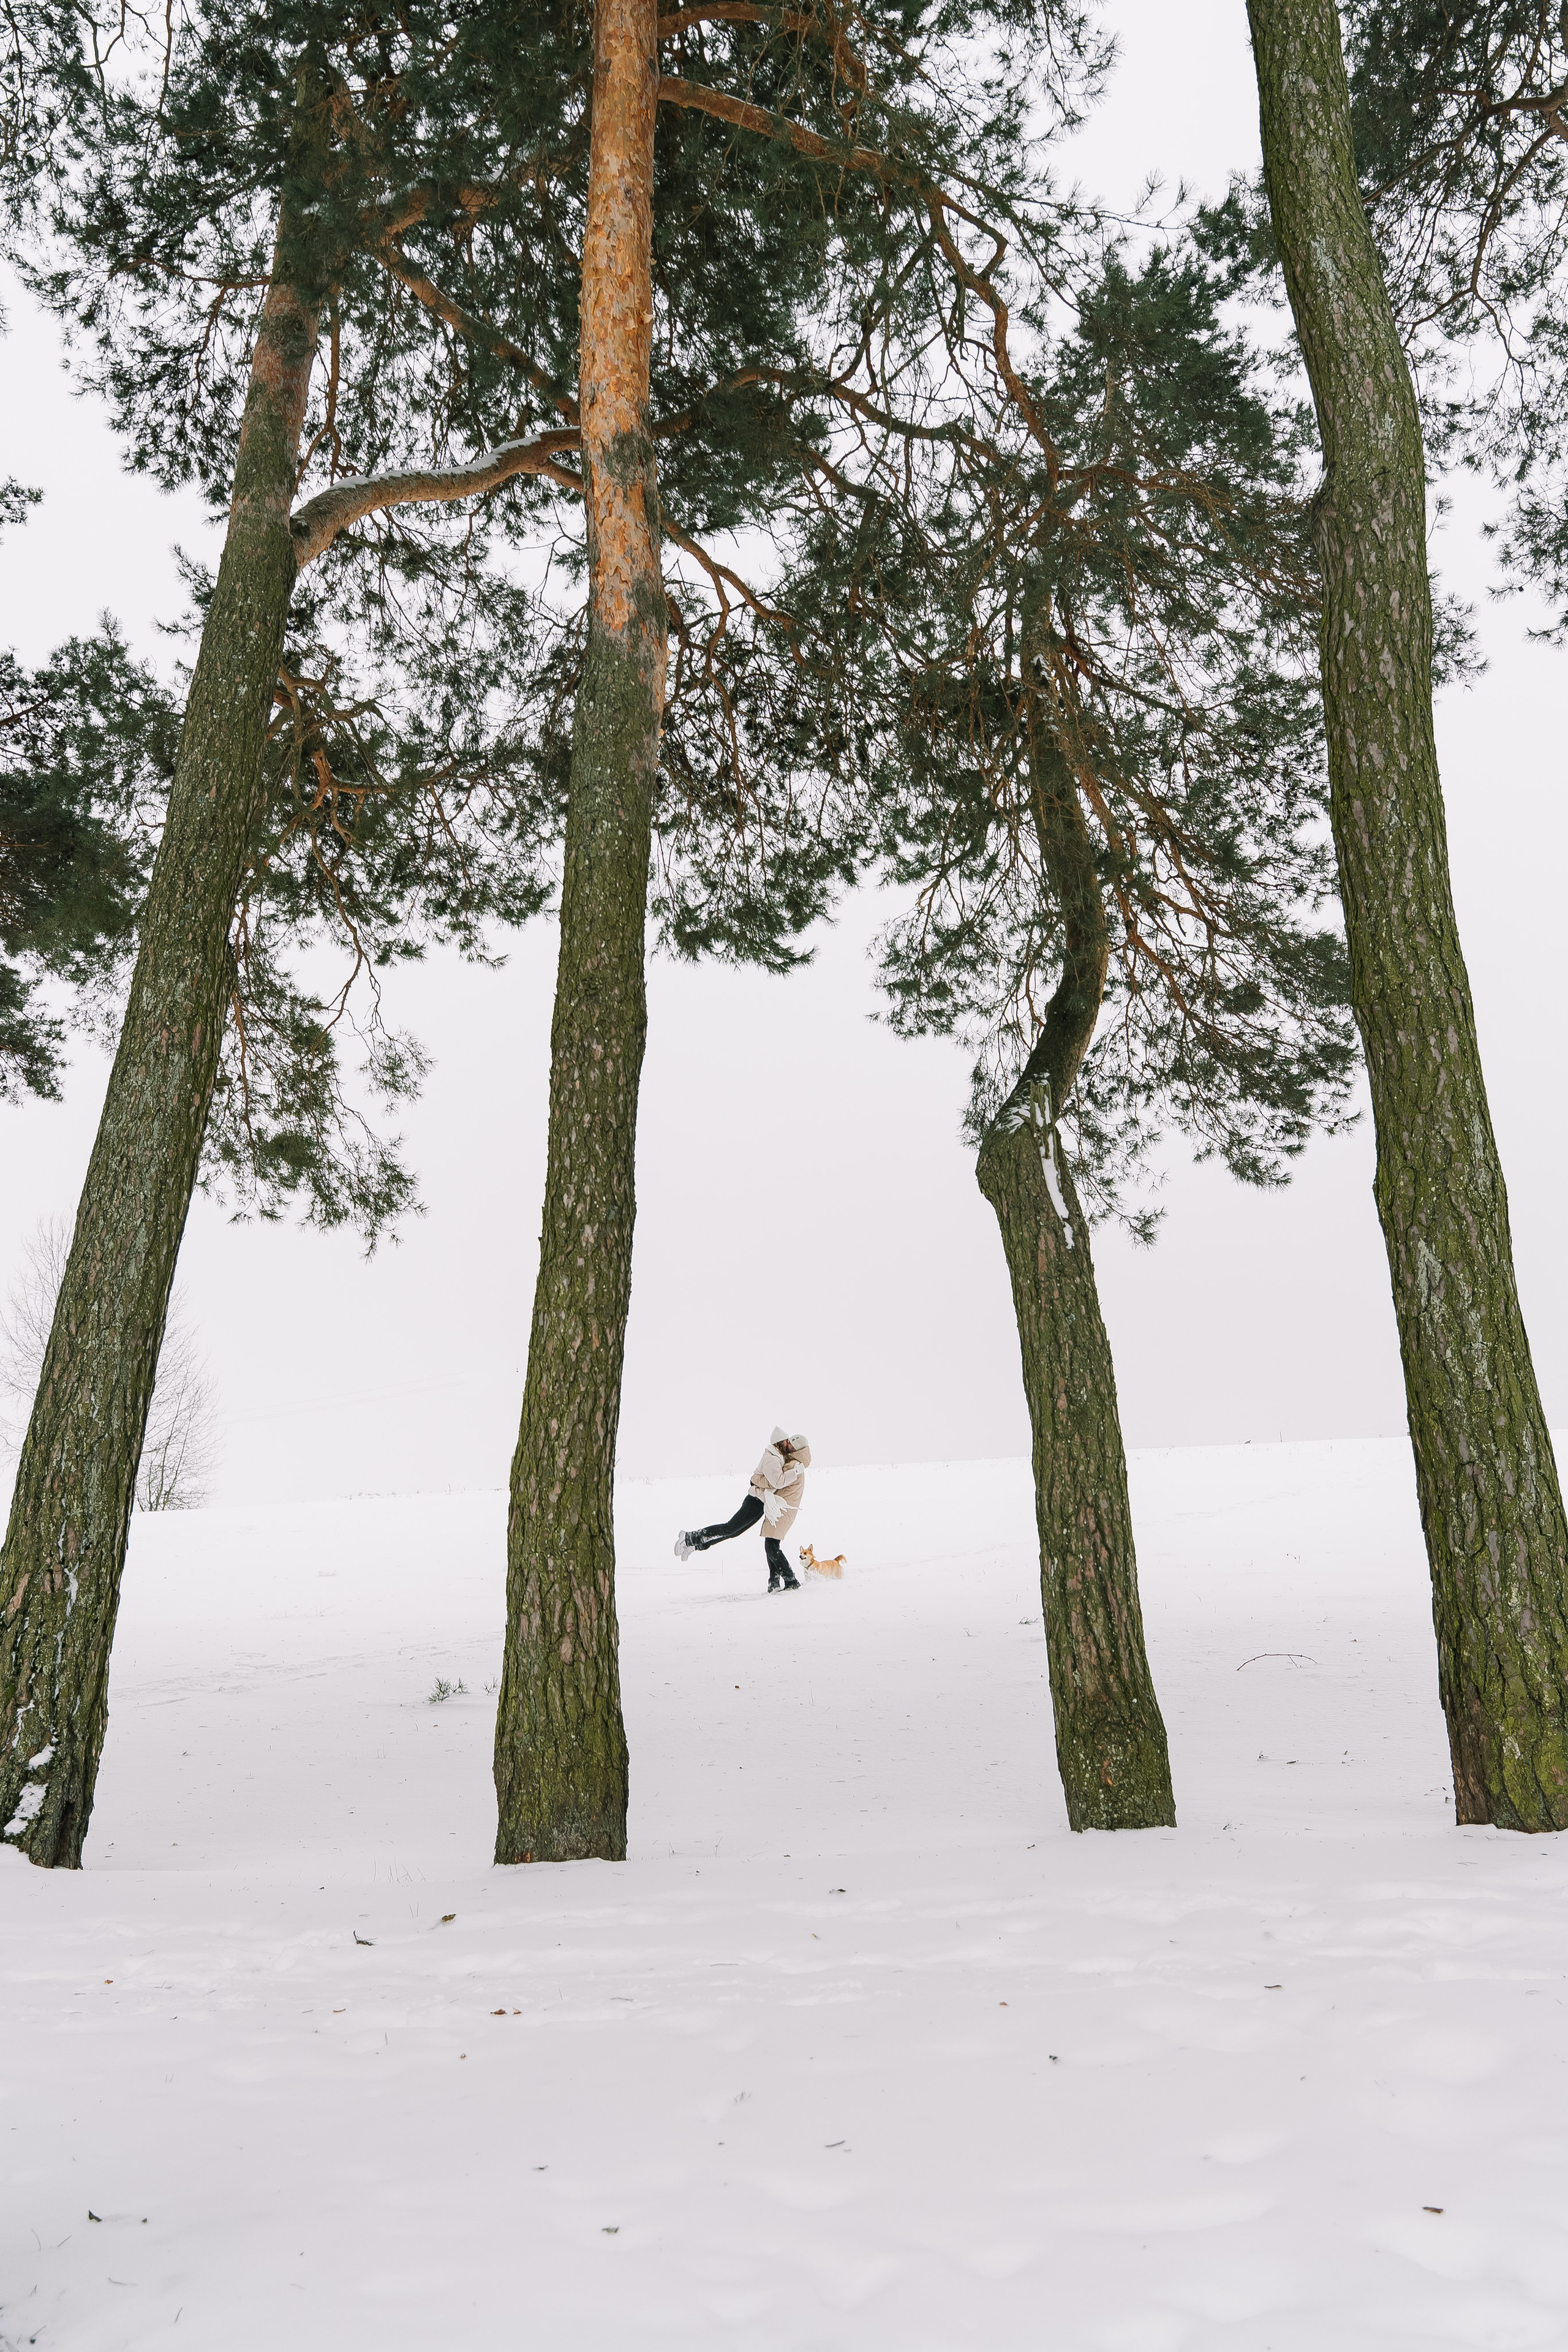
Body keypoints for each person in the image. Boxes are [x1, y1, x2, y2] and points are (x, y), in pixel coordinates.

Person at [674, 1428, 812, 1593]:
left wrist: (757, 1480)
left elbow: (771, 1482)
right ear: (779, 1443)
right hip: (755, 1502)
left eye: (789, 1442)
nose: (788, 1443)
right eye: (786, 1441)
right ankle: (690, 1538)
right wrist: (757, 1480)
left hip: (762, 1503)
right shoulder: (773, 1459)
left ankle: (696, 1545)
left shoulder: (781, 1458)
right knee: (730, 1528)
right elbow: (777, 1482)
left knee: (733, 1533)